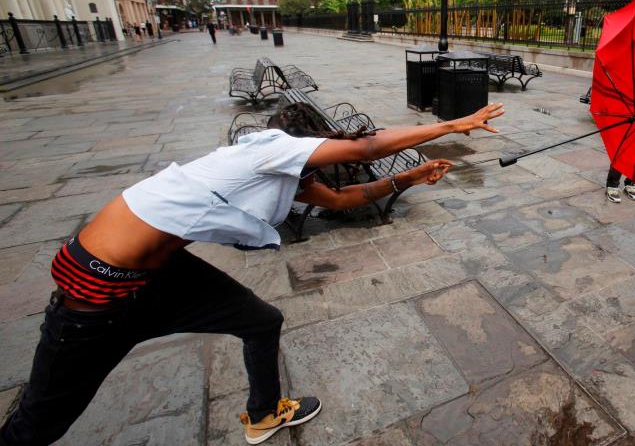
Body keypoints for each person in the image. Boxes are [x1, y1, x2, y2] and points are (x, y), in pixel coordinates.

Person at [0, 102, 505, 446]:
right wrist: (451, 126)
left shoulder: (285, 169)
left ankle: (264, 414)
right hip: (97, 290)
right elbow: (364, 150)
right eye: (327, 143)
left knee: (261, 321)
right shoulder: (270, 148)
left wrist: (410, 177)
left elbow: (339, 200)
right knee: (36, 427)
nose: (332, 151)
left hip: (160, 273)